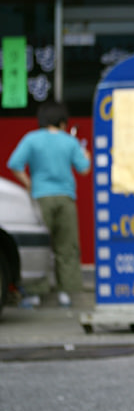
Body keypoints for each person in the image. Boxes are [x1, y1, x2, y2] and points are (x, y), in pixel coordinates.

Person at [7, 101, 91, 307]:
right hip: (65, 198)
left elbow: (14, 163)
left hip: (40, 197)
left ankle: (36, 292)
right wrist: (86, 155)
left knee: (41, 246)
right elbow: (84, 169)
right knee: (67, 247)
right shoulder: (69, 141)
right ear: (63, 122)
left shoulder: (32, 139)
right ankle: (67, 292)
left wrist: (29, 183)